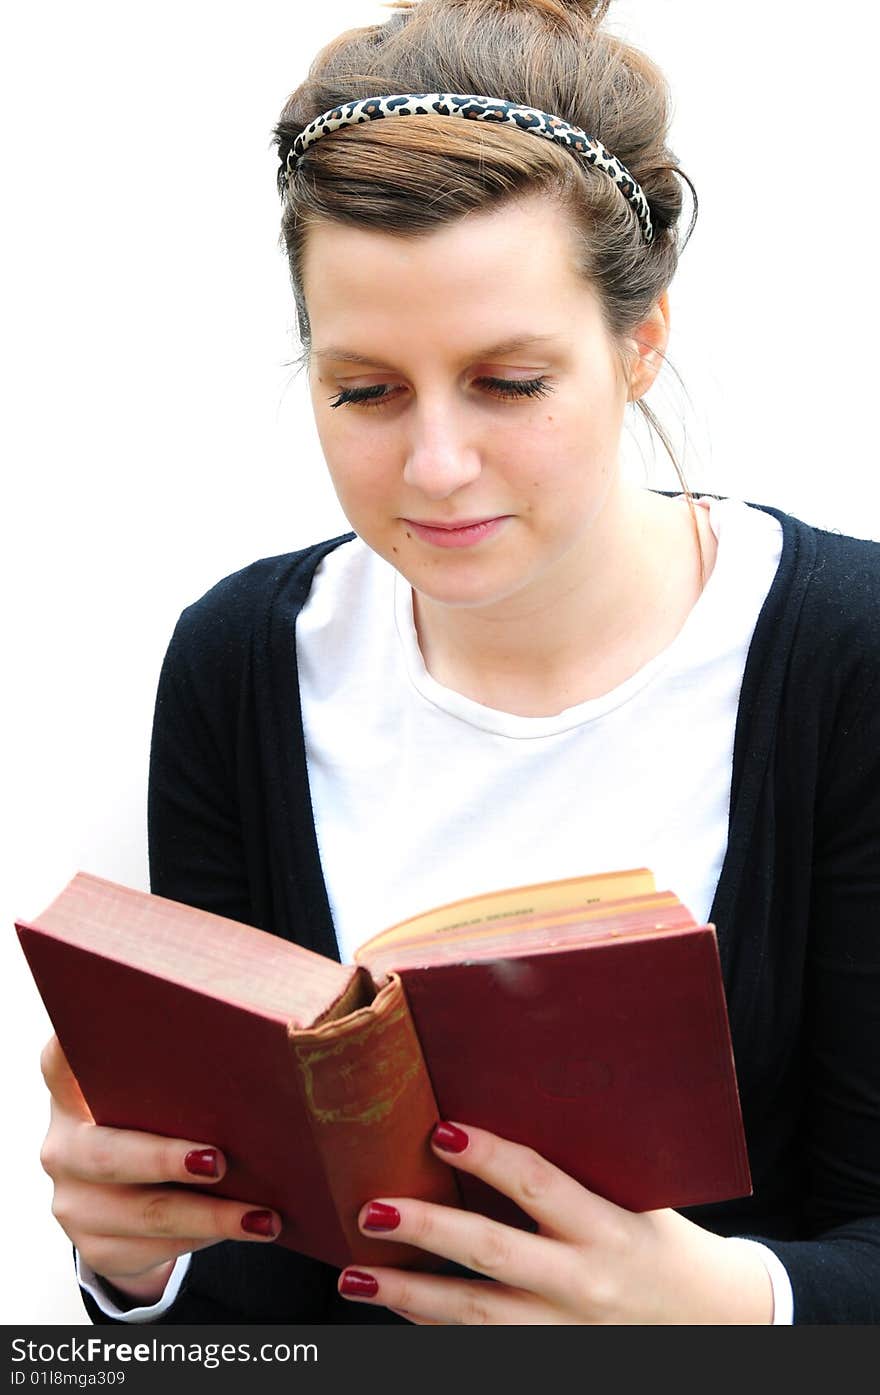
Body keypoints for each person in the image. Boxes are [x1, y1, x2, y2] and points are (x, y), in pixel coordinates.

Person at [38, 0, 880, 1325]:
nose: (434, 468)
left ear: (641, 340)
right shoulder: (240, 663)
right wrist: (134, 1269)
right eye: (365, 390)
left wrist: (731, 1310)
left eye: (508, 383)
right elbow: (255, 1290)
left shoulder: (847, 657)